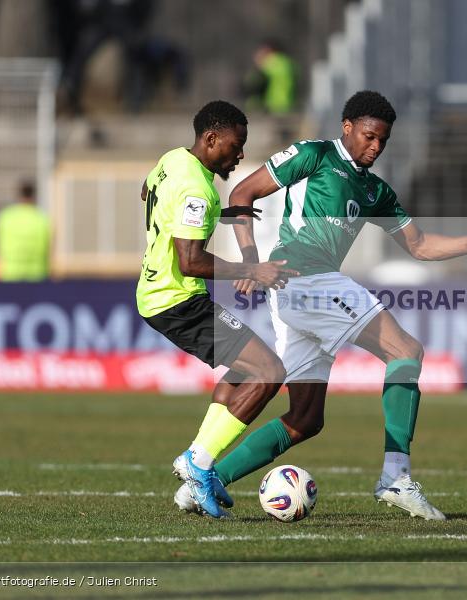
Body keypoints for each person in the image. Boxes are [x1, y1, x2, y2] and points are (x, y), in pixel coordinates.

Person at [173, 90, 467, 520]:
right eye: (369, 136)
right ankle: (395, 477)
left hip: (300, 295)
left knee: (305, 419)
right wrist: (252, 261)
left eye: (383, 141)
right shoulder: (315, 155)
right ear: (347, 127)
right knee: (406, 350)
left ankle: (204, 480)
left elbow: (421, 246)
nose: (375, 146)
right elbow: (242, 192)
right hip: (303, 277)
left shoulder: (376, 191)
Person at [136, 100, 299, 519]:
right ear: (211, 139)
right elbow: (191, 261)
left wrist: (215, 214)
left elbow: (149, 193)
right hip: (178, 299)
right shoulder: (197, 188)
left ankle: (198, 462)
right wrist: (252, 270)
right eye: (236, 144)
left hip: (158, 294)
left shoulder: (172, 161)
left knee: (247, 370)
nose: (240, 154)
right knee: (270, 372)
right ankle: (199, 462)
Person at [0, 180, 50, 282]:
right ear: (34, 196)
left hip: (10, 273)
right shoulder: (42, 218)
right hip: (36, 274)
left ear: (18, 195)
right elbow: (49, 247)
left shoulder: (5, 217)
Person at [243, 41, 297, 115]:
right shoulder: (287, 62)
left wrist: (259, 62)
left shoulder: (274, 62)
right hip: (285, 103)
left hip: (276, 104)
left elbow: (254, 82)